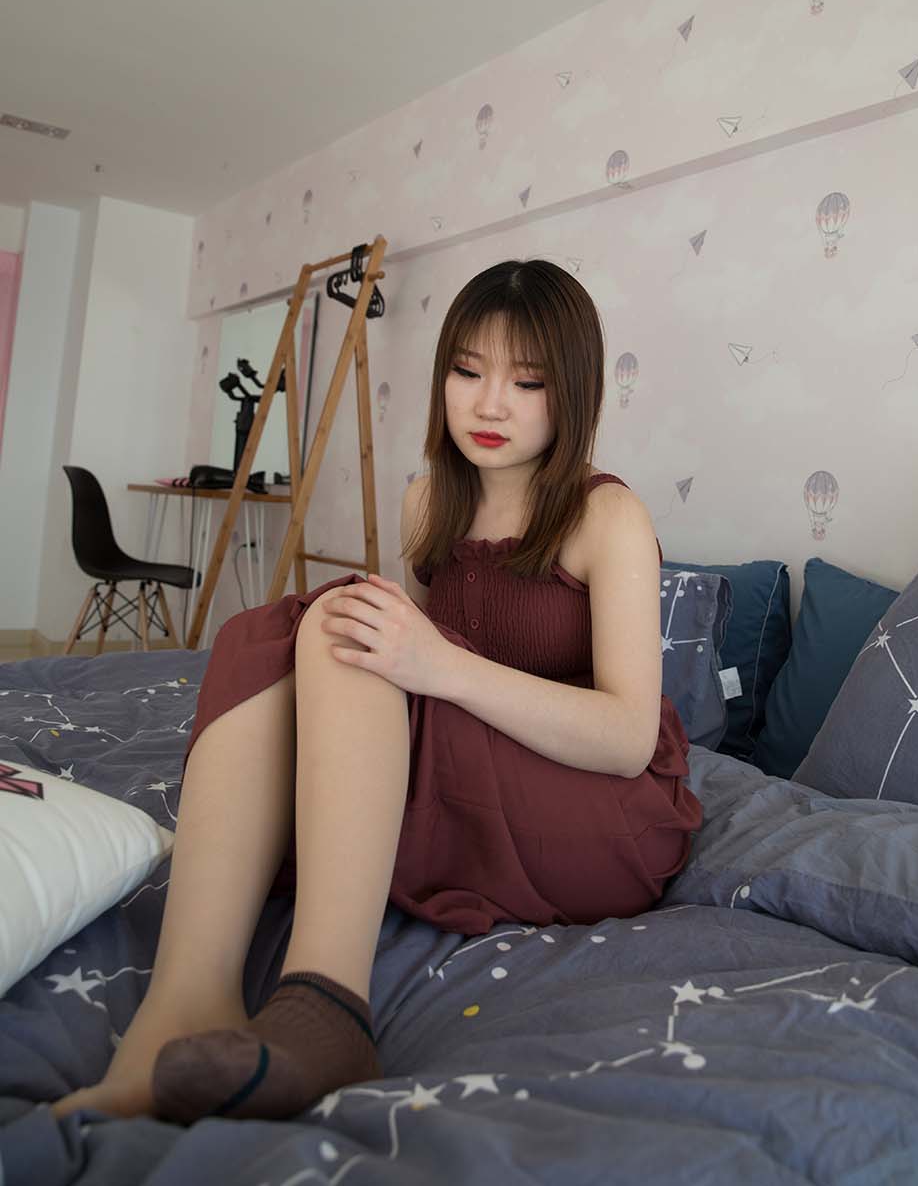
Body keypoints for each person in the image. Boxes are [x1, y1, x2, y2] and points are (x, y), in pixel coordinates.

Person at [50, 257, 702, 1126]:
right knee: (302, 633)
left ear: (573, 391)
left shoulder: (606, 516)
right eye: (466, 372)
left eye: (528, 382)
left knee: (343, 624)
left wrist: (439, 667)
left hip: (600, 810)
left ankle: (326, 1009)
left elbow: (624, 739)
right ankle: (183, 1003)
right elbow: (399, 691)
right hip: (484, 774)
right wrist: (407, 663)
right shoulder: (427, 502)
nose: (490, 405)